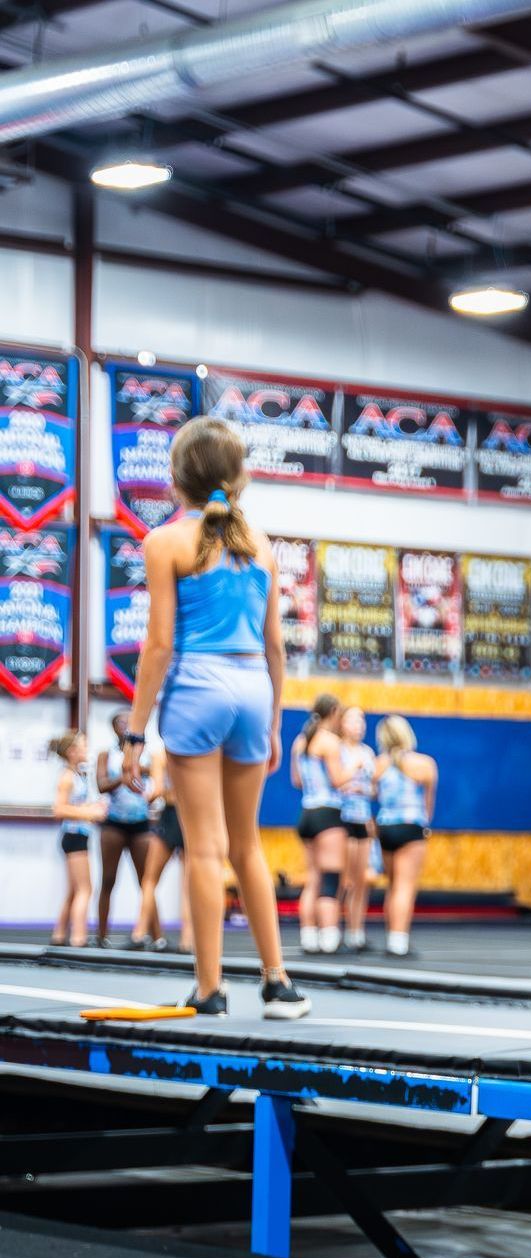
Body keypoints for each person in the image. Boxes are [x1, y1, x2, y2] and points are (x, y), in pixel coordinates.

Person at [122, 415, 309, 1020]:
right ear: (239, 477)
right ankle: (277, 982)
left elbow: (157, 646)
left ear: (176, 481)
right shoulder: (262, 548)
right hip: (253, 686)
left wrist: (134, 731)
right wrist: (277, 723)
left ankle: (209, 990)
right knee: (247, 846)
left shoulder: (165, 543)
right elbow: (276, 647)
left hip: (199, 686)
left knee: (204, 849)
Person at [373, 717, 435, 959]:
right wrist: (424, 827)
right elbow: (428, 805)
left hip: (386, 826)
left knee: (393, 885)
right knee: (405, 887)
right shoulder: (424, 764)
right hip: (411, 826)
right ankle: (398, 942)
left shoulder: (378, 764)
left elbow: (373, 794)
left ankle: (392, 936)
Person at [95, 713, 158, 947]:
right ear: (113, 728)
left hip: (140, 823)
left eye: (129, 722)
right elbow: (101, 785)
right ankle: (101, 936)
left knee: (147, 881)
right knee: (108, 879)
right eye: (121, 722)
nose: (125, 725)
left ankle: (157, 937)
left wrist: (142, 769)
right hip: (114, 823)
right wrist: (124, 776)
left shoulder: (147, 755)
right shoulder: (106, 755)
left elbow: (156, 779)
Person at [291, 693, 346, 955]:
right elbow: (337, 780)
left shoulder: (300, 741)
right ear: (334, 712)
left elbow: (297, 781)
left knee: (313, 877)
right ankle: (329, 938)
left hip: (307, 812)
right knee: (331, 878)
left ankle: (309, 936)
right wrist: (356, 768)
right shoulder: (330, 742)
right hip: (327, 812)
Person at [49, 731, 103, 947]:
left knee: (74, 890)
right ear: (72, 752)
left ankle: (59, 935)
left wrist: (90, 808)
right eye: (83, 747)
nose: (86, 750)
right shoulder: (67, 777)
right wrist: (89, 814)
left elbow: (75, 805)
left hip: (79, 835)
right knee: (85, 889)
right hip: (74, 836)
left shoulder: (78, 774)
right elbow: (59, 809)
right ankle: (79, 939)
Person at [136, 744, 188, 954]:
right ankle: (188, 941)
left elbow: (156, 790)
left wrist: (146, 796)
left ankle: (139, 933)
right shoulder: (193, 751)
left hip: (170, 814)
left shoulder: (161, 755)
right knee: (189, 884)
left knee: (149, 879)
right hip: (190, 815)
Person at [335, 705, 377, 953]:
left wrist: (365, 789)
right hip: (343, 817)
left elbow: (374, 789)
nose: (358, 726)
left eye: (361, 721)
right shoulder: (337, 751)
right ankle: (334, 929)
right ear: (342, 724)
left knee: (362, 879)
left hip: (362, 817)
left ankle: (356, 932)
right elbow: (333, 781)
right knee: (345, 879)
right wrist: (349, 779)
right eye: (353, 721)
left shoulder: (368, 752)